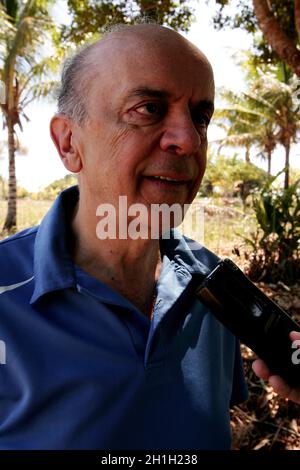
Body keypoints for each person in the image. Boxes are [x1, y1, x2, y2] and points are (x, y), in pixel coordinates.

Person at [0, 23, 296, 450]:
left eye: (201, 117)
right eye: (148, 109)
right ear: (69, 143)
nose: (190, 141)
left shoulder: (216, 289)